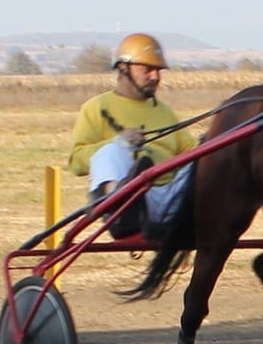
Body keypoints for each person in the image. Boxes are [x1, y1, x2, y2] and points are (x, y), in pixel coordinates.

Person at [67, 32, 197, 236]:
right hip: (126, 201)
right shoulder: (96, 108)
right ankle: (122, 211)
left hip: (165, 198)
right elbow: (76, 162)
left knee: (202, 160)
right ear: (123, 68)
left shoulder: (165, 111)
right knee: (110, 151)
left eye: (158, 71)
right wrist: (119, 142)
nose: (155, 77)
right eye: (148, 70)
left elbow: (193, 152)